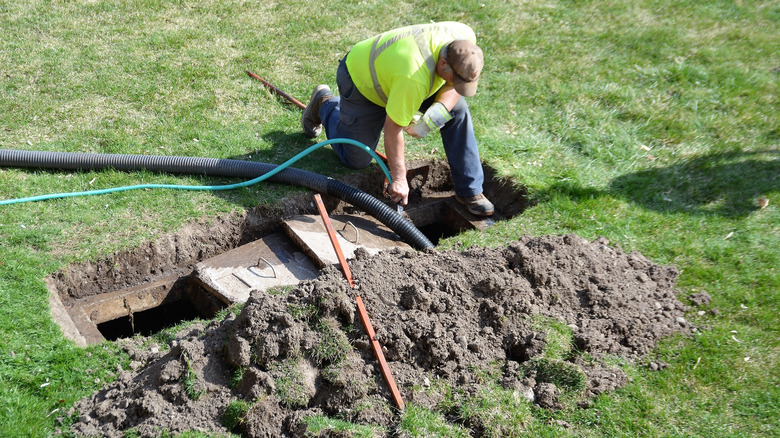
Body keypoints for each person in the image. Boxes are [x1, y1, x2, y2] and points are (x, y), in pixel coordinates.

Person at [301, 21, 494, 216]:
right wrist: (400, 178)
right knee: (356, 158)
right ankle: (325, 104)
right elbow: (393, 129)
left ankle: (470, 190)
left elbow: (453, 89)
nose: (457, 85)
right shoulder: (413, 77)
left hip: (396, 75)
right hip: (363, 82)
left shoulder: (465, 39)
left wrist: (434, 117)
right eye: (456, 79)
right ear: (443, 63)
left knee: (457, 111)